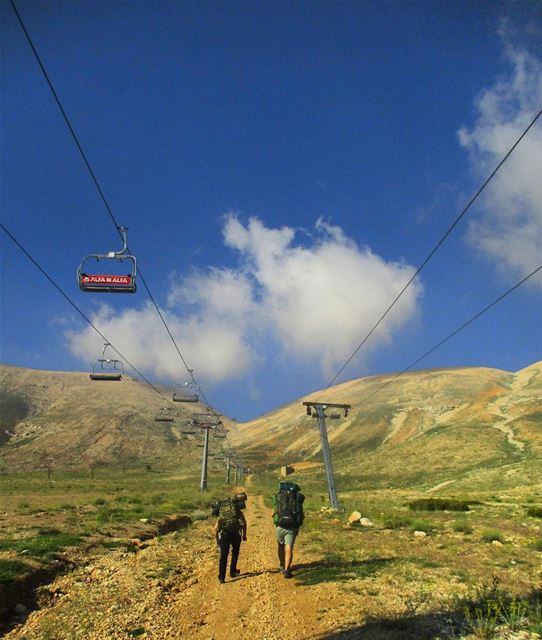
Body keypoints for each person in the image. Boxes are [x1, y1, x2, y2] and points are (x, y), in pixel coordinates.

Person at [212, 491, 247, 583]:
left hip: (225, 535)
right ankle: (232, 572)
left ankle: (222, 577)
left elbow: (215, 529)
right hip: (235, 534)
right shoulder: (237, 512)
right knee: (235, 553)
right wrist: (244, 535)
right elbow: (244, 523)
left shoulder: (221, 514)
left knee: (223, 556)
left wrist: (217, 540)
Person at [272, 482, 304, 579]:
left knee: (281, 546)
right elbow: (300, 514)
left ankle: (281, 565)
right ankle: (287, 569)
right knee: (289, 548)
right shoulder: (296, 500)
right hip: (291, 527)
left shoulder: (279, 499)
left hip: (280, 527)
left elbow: (272, 514)